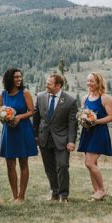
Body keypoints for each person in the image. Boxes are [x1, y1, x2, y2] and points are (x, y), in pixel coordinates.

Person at [33, 73, 78, 202]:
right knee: (49, 167)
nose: (46, 85)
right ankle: (55, 192)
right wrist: (35, 136)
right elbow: (36, 119)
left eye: (49, 84)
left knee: (63, 166)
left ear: (58, 85)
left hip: (62, 140)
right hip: (44, 138)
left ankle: (64, 195)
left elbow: (72, 124)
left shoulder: (70, 101)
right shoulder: (40, 97)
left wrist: (71, 141)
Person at [0, 68, 38, 202]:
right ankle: (14, 194)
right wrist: (6, 120)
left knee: (23, 163)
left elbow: (32, 111)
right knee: (10, 164)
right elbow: (0, 113)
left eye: (20, 77)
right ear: (9, 79)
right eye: (15, 77)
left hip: (23, 130)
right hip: (9, 131)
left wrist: (19, 117)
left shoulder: (25, 92)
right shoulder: (3, 95)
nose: (19, 79)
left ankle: (21, 195)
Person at [77, 72, 112, 201]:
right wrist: (83, 119)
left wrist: (96, 121)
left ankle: (102, 190)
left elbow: (111, 117)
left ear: (98, 82)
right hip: (87, 132)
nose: (89, 83)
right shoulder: (85, 98)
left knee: (89, 162)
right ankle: (96, 191)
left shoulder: (104, 98)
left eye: (92, 81)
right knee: (91, 164)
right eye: (88, 81)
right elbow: (83, 113)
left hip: (99, 133)